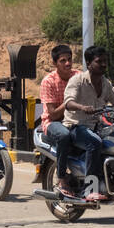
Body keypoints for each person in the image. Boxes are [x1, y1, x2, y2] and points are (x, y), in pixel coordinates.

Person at [61, 45, 114, 201]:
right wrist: (82, 107)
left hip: (96, 126)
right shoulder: (78, 80)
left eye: (105, 61)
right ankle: (89, 189)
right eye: (99, 61)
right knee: (94, 142)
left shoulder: (105, 83)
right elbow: (68, 102)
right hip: (75, 126)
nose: (104, 64)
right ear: (89, 63)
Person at [38, 44, 77, 186]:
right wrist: (68, 103)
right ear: (54, 63)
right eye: (63, 61)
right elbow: (53, 115)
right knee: (64, 135)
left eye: (70, 59)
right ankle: (61, 177)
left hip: (76, 120)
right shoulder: (48, 82)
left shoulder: (78, 76)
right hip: (54, 123)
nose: (68, 63)